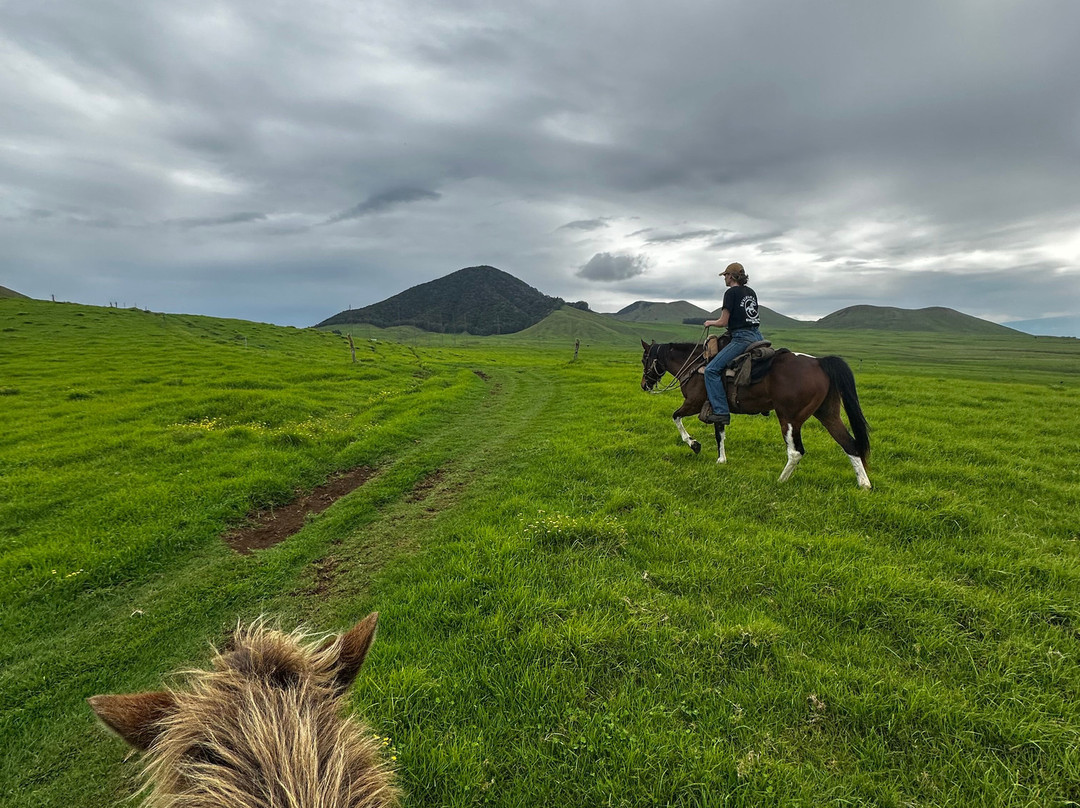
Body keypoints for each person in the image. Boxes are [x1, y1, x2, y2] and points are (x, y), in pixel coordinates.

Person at [701, 262, 765, 425]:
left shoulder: (730, 293)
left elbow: (723, 322)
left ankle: (721, 411)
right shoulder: (751, 292)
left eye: (725, 275)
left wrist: (710, 323)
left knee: (711, 370)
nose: (724, 278)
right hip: (758, 336)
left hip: (742, 337)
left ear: (731, 276)